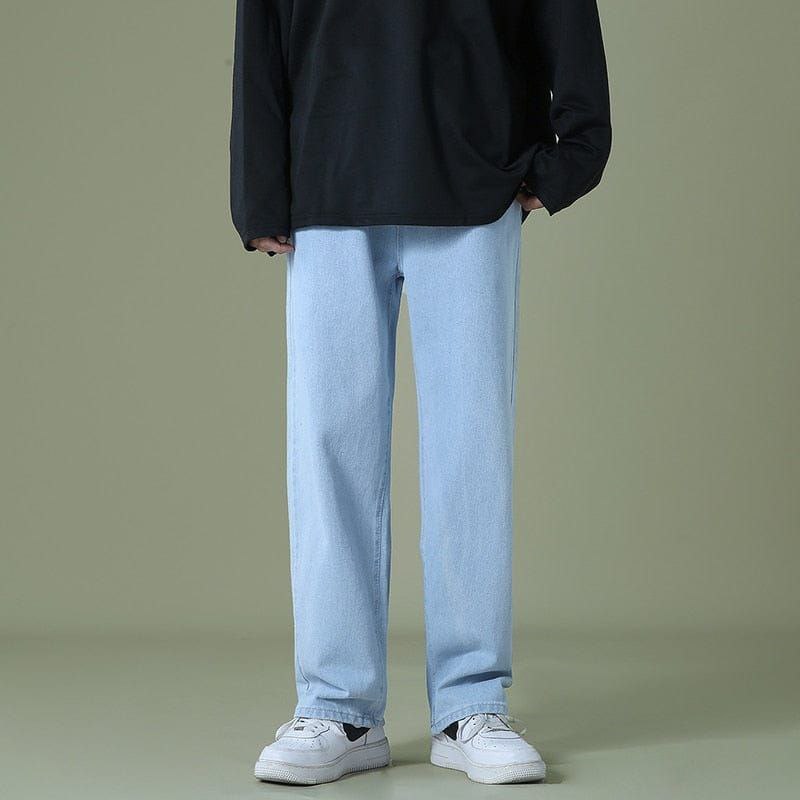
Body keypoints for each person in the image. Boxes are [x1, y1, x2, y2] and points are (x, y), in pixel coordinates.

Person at [230, 0, 611, 786]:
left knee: (471, 450)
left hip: (472, 182)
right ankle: (338, 705)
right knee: (329, 448)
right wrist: (259, 187)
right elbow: (262, 25)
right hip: (327, 179)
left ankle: (472, 702)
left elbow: (565, 16)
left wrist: (572, 154)